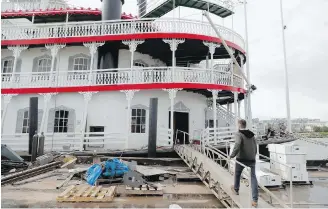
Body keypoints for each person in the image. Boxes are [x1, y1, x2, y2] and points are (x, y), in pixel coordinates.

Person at [229, 119, 258, 207]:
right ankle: (255, 200)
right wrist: (253, 155)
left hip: (242, 158)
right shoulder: (251, 134)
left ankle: (236, 189)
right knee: (253, 178)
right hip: (252, 158)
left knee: (237, 174)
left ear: (239, 125)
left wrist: (232, 155)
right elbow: (255, 146)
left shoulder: (238, 134)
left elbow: (237, 145)